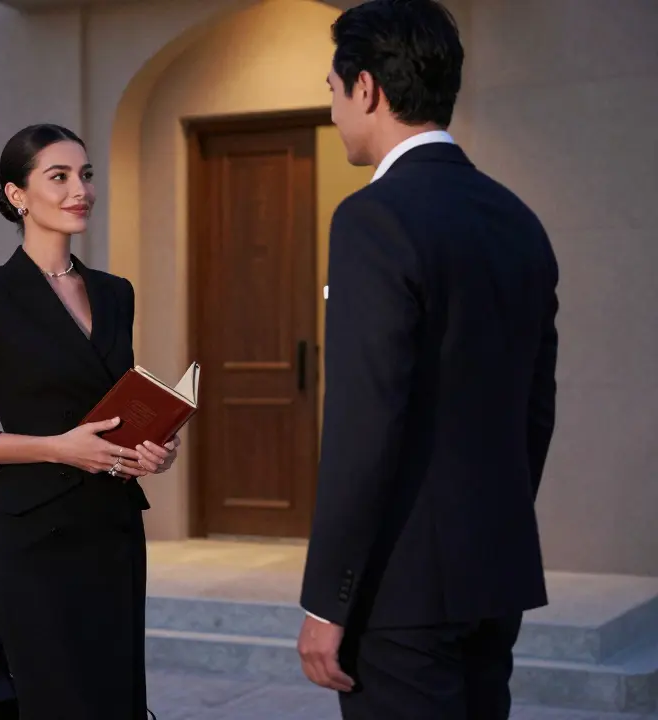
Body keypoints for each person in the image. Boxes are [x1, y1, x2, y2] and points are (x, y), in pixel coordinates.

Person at [296, 1, 559, 718]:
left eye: (332, 90)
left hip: (401, 593)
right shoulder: (518, 219)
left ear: (367, 89)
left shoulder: (372, 218)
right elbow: (535, 409)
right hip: (494, 573)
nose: (333, 111)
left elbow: (364, 424)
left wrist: (328, 600)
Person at [0, 123, 179, 719]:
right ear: (17, 195)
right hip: (36, 537)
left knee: (118, 701)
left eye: (85, 175)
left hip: (114, 528)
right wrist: (59, 448)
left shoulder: (115, 293)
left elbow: (115, 407)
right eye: (59, 177)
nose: (79, 190)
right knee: (59, 702)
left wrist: (154, 448)